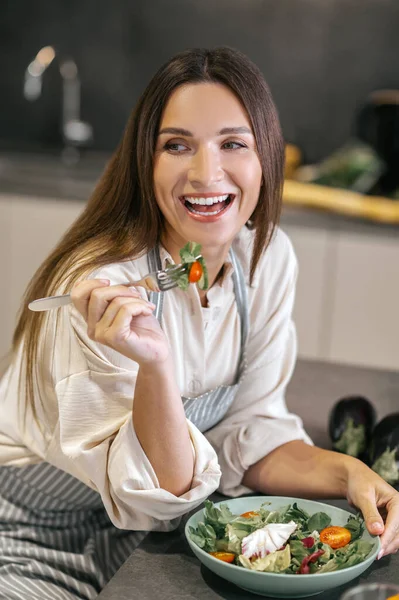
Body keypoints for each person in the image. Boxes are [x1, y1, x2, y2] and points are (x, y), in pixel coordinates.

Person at [0, 46, 398, 600]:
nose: (206, 173)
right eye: (177, 145)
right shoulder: (102, 288)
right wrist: (155, 364)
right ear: (146, 161)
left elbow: (249, 434)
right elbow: (156, 491)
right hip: (28, 541)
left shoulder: (265, 259)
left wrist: (348, 473)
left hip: (146, 541)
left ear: (267, 159)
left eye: (233, 143)